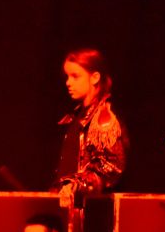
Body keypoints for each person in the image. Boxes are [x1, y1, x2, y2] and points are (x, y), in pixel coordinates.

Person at [54, 48, 127, 205]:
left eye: (75, 76)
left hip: (90, 210)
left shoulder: (104, 117)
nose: (68, 82)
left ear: (94, 78)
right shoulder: (76, 115)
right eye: (67, 76)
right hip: (68, 207)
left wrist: (75, 185)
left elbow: (110, 167)